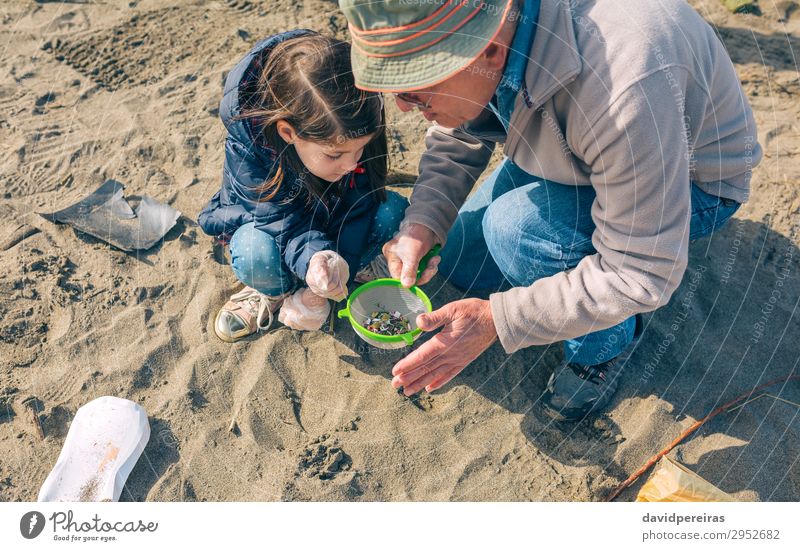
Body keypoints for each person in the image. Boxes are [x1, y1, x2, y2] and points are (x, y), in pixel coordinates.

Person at [337, 0, 762, 420]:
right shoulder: (490, 41)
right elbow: (459, 126)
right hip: (583, 149)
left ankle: (602, 349)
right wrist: (423, 223)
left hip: (691, 184)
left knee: (514, 232)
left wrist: (498, 320)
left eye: (415, 88)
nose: (405, 107)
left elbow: (641, 271)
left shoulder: (623, 86)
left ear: (487, 49)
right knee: (461, 255)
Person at [198, 30, 409, 342]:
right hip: (274, 229)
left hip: (333, 219)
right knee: (255, 251)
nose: (352, 164)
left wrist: (337, 266)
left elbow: (362, 201)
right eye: (334, 154)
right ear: (288, 132)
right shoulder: (249, 148)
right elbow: (279, 221)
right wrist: (313, 258)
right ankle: (272, 291)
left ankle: (350, 272)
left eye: (360, 149)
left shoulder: (356, 117)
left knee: (393, 212)